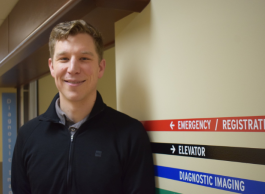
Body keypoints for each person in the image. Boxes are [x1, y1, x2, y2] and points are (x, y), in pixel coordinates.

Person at [11, 20, 155, 194]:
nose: (73, 69)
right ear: (52, 67)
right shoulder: (28, 136)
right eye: (64, 58)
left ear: (100, 67)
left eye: (84, 58)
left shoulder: (130, 134)